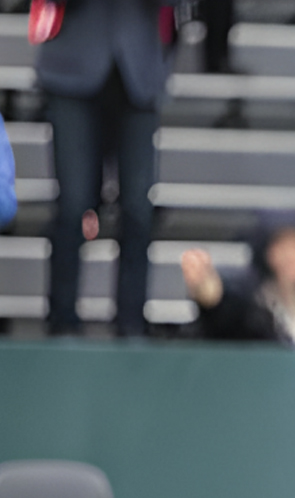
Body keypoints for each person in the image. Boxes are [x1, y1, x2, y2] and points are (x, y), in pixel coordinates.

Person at [35, 0, 181, 337]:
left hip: (140, 71)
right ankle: (62, 324)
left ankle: (131, 324)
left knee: (138, 208)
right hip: (71, 67)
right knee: (73, 205)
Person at [179, 214, 295, 352]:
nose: (294, 257)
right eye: (285, 248)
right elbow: (220, 305)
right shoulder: (254, 306)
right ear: (267, 255)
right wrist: (205, 284)